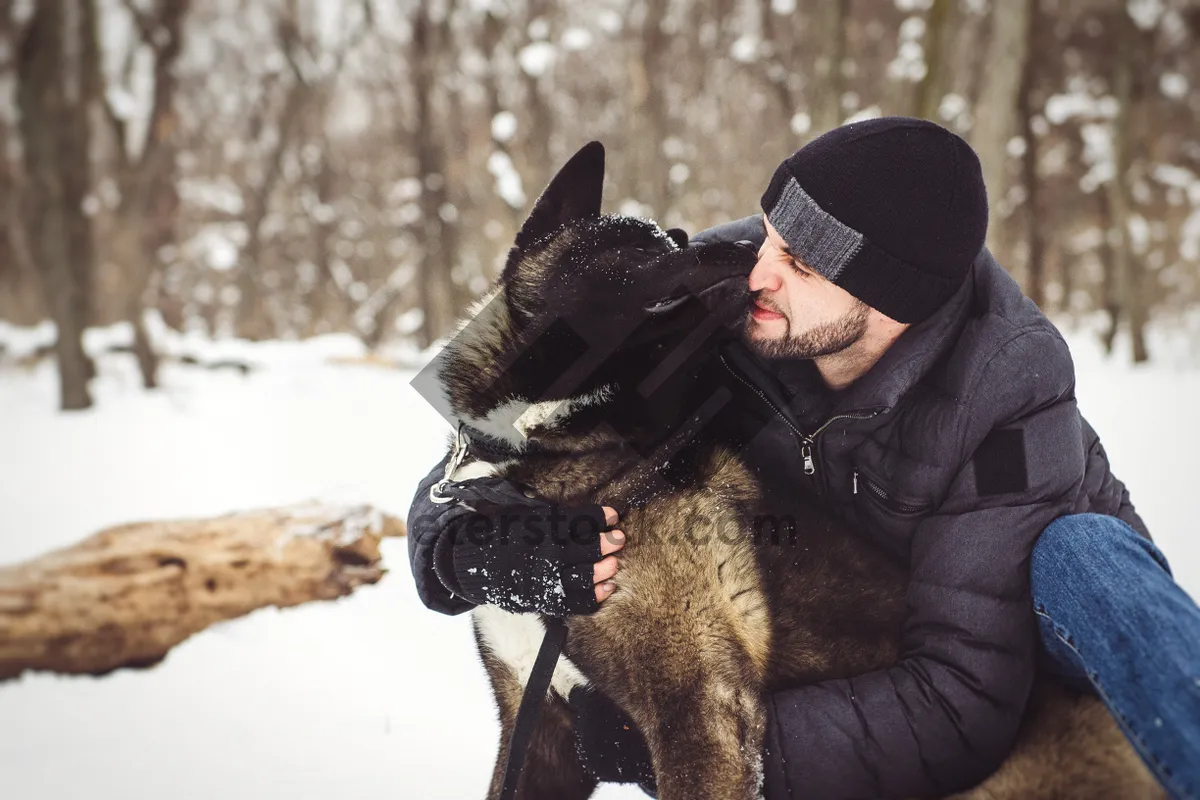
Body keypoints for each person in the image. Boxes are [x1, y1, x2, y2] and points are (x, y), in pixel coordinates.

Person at [407, 117, 1200, 799]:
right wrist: (456, 545)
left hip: (1039, 652)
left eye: (800, 264)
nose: (758, 270)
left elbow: (964, 700)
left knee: (1081, 554)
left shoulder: (1008, 394)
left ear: (889, 302)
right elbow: (487, 390)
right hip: (844, 631)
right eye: (770, 234)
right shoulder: (748, 285)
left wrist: (704, 738)